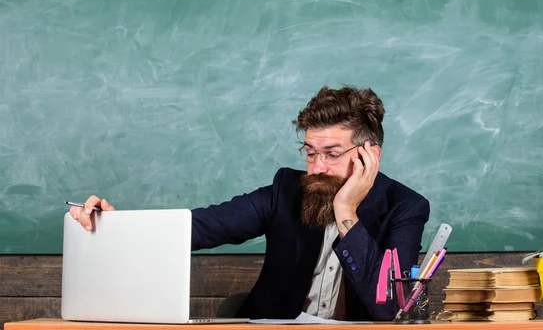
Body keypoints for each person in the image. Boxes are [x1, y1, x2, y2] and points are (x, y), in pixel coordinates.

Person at [69, 85, 430, 321]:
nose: (317, 168)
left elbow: (390, 309)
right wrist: (113, 224)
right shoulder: (284, 190)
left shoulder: (406, 208)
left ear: (370, 155)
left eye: (332, 154)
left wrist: (346, 211)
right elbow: (196, 228)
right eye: (310, 152)